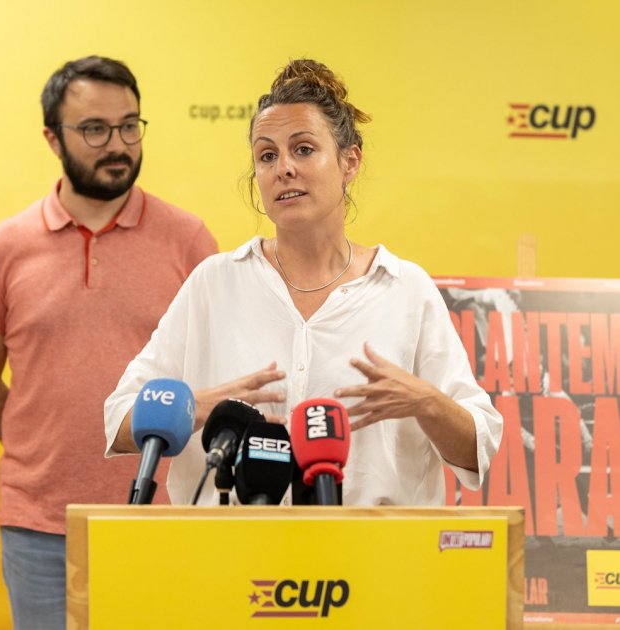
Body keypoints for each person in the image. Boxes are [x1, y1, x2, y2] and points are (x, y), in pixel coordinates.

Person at [104, 58, 502, 508]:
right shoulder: (213, 283)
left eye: (304, 149)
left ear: (350, 162)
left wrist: (425, 402)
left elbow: (478, 447)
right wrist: (196, 407)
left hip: (373, 548)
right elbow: (120, 419)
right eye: (267, 156)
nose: (284, 168)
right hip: (228, 545)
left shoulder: (405, 289)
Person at [0, 55, 217, 630]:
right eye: (95, 129)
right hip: (39, 524)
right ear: (52, 138)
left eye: (129, 126)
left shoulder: (188, 240)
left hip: (163, 517)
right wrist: (38, 449)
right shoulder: (5, 248)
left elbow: (216, 378)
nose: (117, 145)